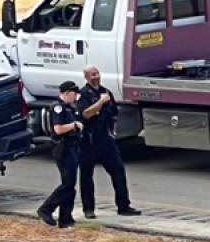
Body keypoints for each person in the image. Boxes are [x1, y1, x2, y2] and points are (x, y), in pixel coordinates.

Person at [78, 65, 139, 218]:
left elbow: (114, 114)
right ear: (86, 77)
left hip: (106, 139)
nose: (96, 76)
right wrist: (99, 103)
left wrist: (113, 131)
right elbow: (86, 114)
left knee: (118, 171)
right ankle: (88, 209)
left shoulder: (106, 92)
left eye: (97, 73)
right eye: (92, 74)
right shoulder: (83, 94)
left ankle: (124, 206)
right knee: (86, 176)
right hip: (89, 140)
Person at [36, 81, 84, 228]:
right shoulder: (57, 107)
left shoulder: (69, 107)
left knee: (70, 185)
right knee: (67, 184)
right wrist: (74, 125)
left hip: (72, 146)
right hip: (63, 147)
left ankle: (66, 218)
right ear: (66, 93)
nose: (75, 96)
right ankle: (46, 208)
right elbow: (58, 129)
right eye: (74, 93)